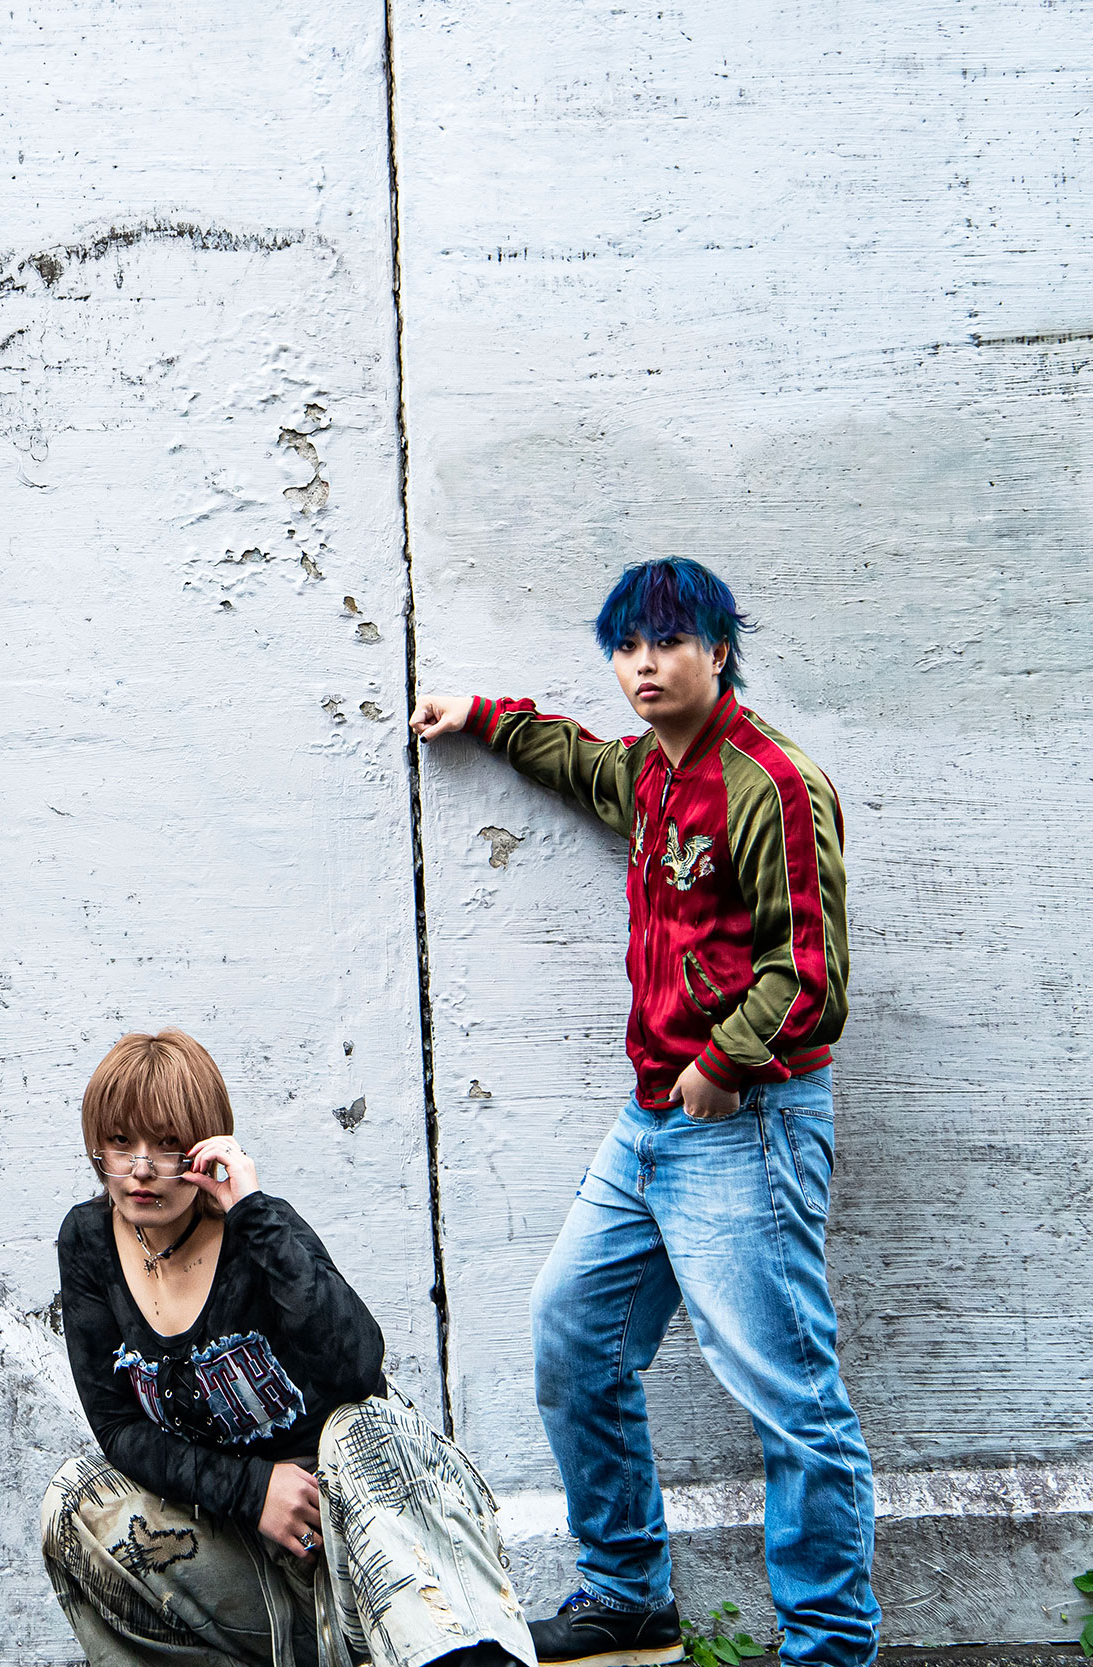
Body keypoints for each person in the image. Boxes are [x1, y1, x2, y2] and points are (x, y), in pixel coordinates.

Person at [410, 557, 872, 1667]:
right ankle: (627, 1592)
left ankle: (829, 1648)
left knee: (791, 1400)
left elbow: (810, 972)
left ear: (719, 650)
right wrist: (482, 716)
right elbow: (577, 758)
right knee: (574, 1332)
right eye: (625, 647)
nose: (643, 664)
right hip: (651, 1123)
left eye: (668, 641)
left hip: (746, 1123)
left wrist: (726, 1059)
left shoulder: (772, 783)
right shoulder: (652, 773)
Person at [43, 1029, 534, 1667]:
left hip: (360, 1553)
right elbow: (118, 1427)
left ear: (205, 1147)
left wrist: (252, 1211)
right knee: (73, 1501)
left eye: (166, 1144)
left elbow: (359, 1368)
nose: (140, 1168)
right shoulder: (89, 1241)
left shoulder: (259, 1230)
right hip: (251, 1563)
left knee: (359, 1431)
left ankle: (456, 1656)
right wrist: (253, 1492)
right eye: (120, 1143)